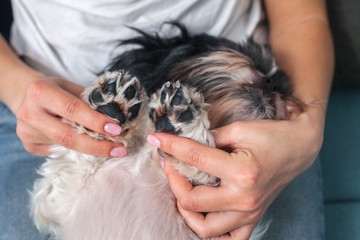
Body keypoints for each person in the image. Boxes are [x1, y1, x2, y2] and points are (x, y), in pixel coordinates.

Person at [0, 0, 333, 239]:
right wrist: (16, 87)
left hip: (223, 89)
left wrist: (307, 128)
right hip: (44, 95)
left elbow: (302, 16)